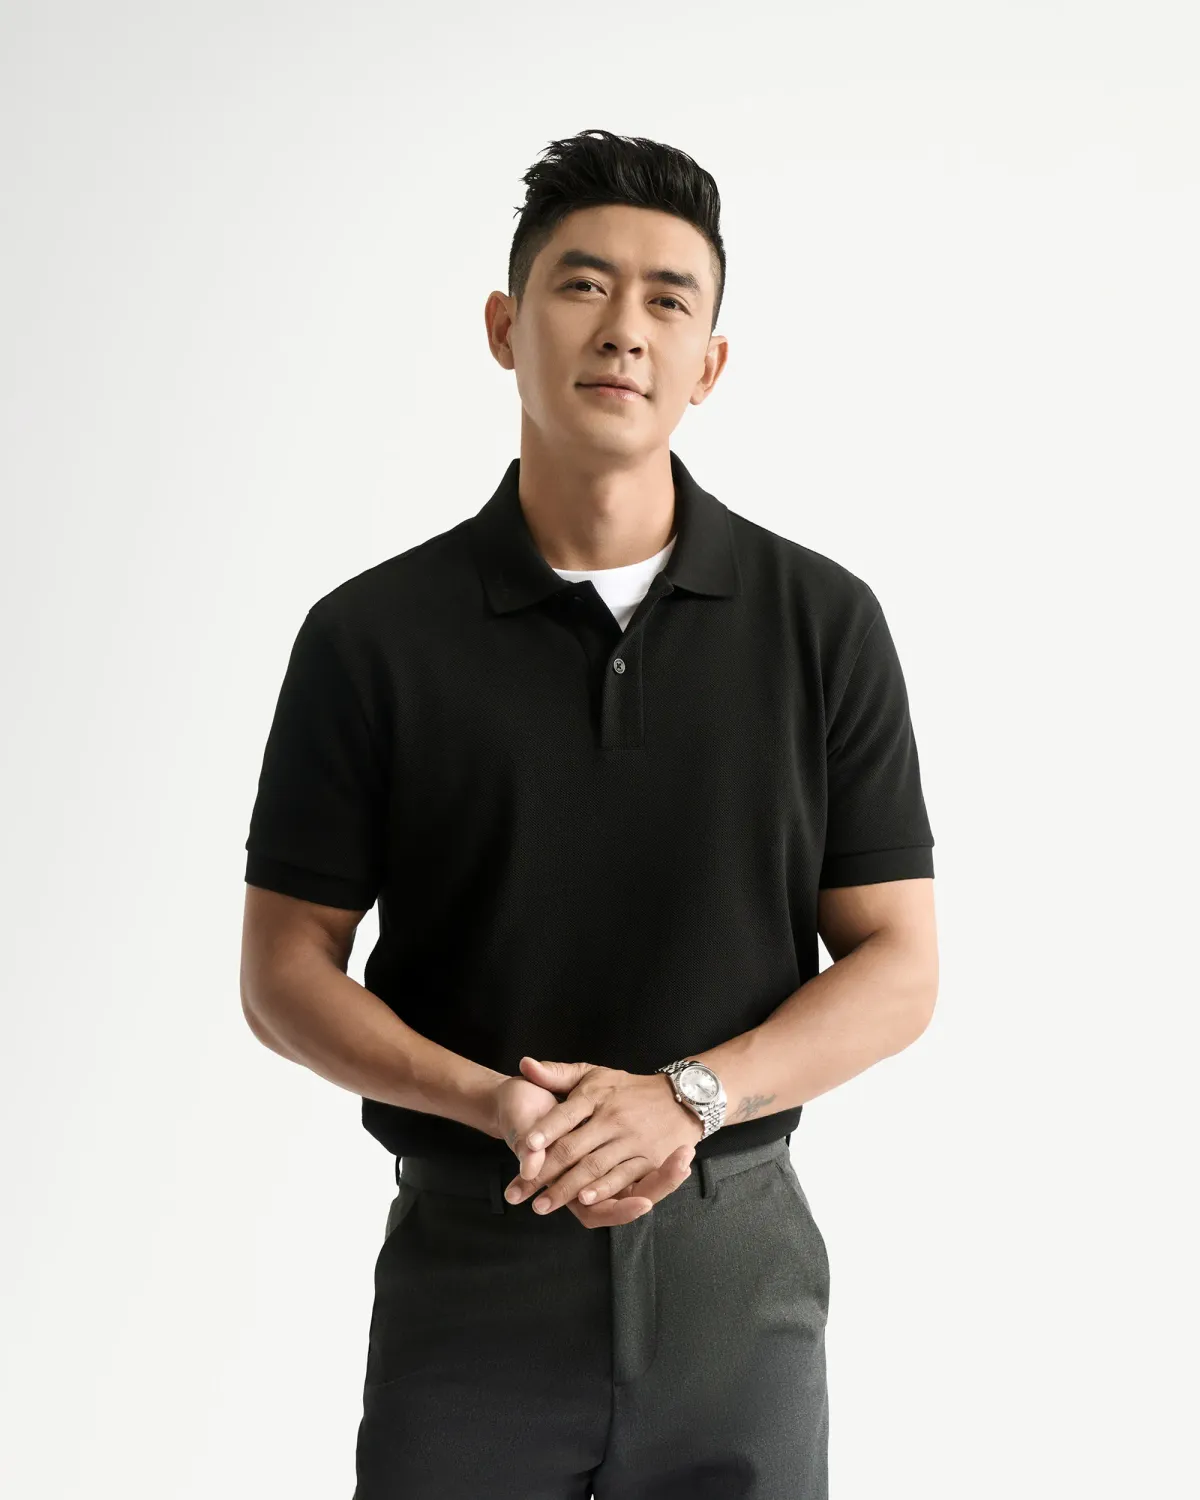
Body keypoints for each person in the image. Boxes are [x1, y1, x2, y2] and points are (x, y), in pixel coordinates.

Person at [240, 127, 938, 1500]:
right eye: (583, 284)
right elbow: (282, 972)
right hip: (473, 1267)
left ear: (709, 363)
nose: (625, 327)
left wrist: (688, 1100)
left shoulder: (821, 625)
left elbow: (901, 965)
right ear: (505, 327)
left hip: (738, 1271)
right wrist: (495, 1103)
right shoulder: (372, 637)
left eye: (669, 299)